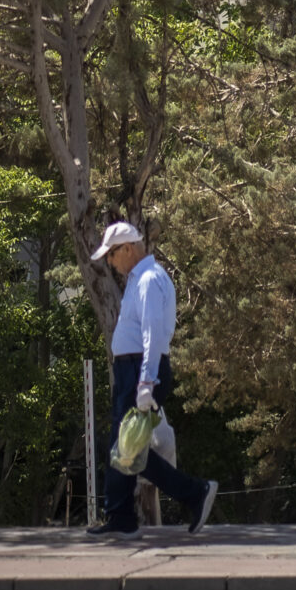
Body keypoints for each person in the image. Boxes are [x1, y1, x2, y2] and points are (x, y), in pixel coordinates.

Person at [87, 219, 217, 538]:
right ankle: (122, 517)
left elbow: (153, 334)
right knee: (125, 447)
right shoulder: (140, 279)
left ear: (127, 249)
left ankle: (193, 493)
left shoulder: (148, 279)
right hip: (131, 370)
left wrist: (146, 382)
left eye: (112, 254)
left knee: (126, 446)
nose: (110, 262)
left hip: (141, 370)